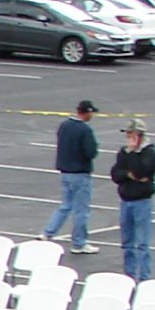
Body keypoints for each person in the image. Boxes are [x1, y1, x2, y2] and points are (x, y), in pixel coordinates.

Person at [42, 99, 99, 254]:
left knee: (65, 205)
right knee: (81, 210)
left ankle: (47, 233)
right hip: (80, 173)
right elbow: (90, 152)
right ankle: (79, 243)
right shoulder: (85, 130)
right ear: (87, 112)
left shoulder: (64, 125)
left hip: (65, 172)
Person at [110, 120, 155, 282]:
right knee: (127, 243)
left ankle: (144, 277)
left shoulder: (149, 153)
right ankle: (129, 276)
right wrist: (127, 174)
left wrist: (132, 155)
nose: (127, 136)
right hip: (125, 200)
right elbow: (116, 174)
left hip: (142, 201)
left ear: (139, 135)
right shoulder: (123, 152)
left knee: (142, 243)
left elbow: (140, 172)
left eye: (130, 133)